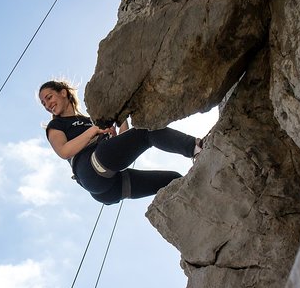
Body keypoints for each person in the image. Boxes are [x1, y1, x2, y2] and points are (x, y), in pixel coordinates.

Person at [39, 80, 202, 205]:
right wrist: (94, 130)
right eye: (44, 103)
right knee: (146, 132)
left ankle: (194, 201)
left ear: (63, 93)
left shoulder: (90, 120)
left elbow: (123, 144)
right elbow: (64, 151)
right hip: (90, 170)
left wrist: (120, 118)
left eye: (48, 97)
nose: (47, 105)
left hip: (109, 183)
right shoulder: (56, 126)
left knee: (173, 179)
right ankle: (195, 147)